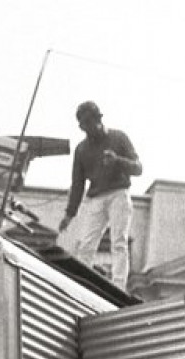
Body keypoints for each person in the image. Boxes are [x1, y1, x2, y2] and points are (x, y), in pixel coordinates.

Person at [59, 100, 142, 290]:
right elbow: (78, 183)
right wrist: (69, 214)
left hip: (118, 194)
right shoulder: (81, 150)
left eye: (90, 122)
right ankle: (80, 283)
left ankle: (119, 285)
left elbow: (138, 168)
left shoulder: (119, 138)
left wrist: (118, 161)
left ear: (98, 119)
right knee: (86, 244)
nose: (88, 129)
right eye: (83, 125)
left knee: (119, 241)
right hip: (96, 198)